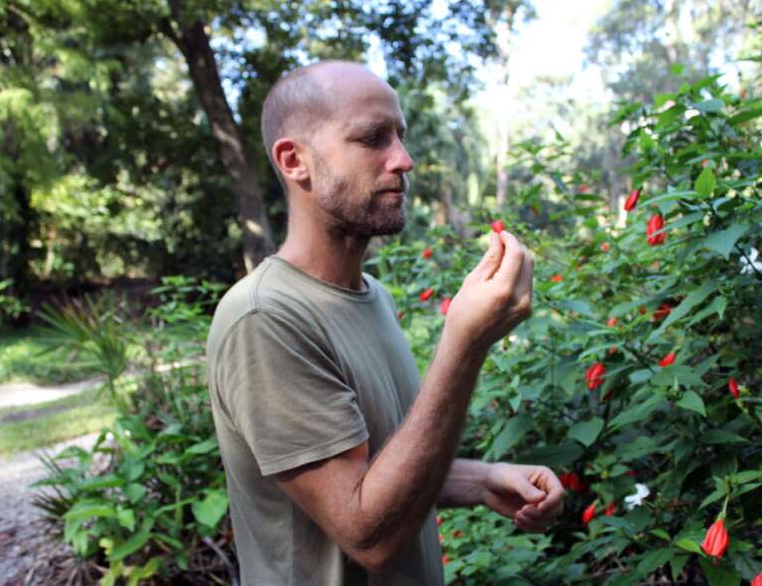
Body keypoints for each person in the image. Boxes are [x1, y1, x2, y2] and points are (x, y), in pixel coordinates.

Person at [205, 60, 565, 586]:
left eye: (400, 135)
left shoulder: (374, 296)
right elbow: (367, 535)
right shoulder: (264, 318)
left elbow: (377, 471)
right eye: (373, 138)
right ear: (294, 160)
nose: (404, 159)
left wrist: (481, 480)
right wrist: (464, 343)